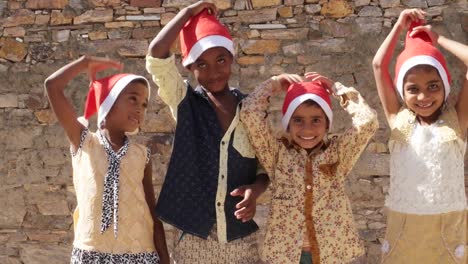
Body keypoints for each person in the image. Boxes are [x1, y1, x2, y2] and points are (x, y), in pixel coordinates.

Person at [145, 1, 269, 263]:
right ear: (189, 68)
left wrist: (256, 190)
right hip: (195, 241)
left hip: (240, 239)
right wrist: (187, 13)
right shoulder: (185, 103)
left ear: (232, 58)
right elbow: (156, 55)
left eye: (221, 60)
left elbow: (264, 167)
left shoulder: (250, 110)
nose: (213, 71)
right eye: (201, 64)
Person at [240, 72, 378, 263]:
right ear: (287, 124)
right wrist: (272, 84)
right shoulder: (276, 154)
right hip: (286, 256)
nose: (307, 129)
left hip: (332, 254)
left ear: (327, 124)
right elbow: (249, 114)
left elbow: (368, 121)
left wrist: (337, 90)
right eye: (298, 120)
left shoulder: (339, 153)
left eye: (316, 120)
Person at [44, 55, 169, 264]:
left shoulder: (142, 155)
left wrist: (165, 259)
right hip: (91, 255)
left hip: (140, 256)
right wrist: (84, 63)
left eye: (145, 104)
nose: (140, 108)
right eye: (133, 99)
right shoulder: (84, 142)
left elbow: (152, 214)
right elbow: (52, 86)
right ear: (109, 101)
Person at [372, 8, 468, 263]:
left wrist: (438, 39)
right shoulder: (397, 120)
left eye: (433, 87)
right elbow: (379, 65)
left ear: (445, 86)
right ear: (402, 91)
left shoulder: (456, 122)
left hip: (448, 228)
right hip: (404, 229)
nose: (424, 97)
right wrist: (398, 27)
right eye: (413, 89)